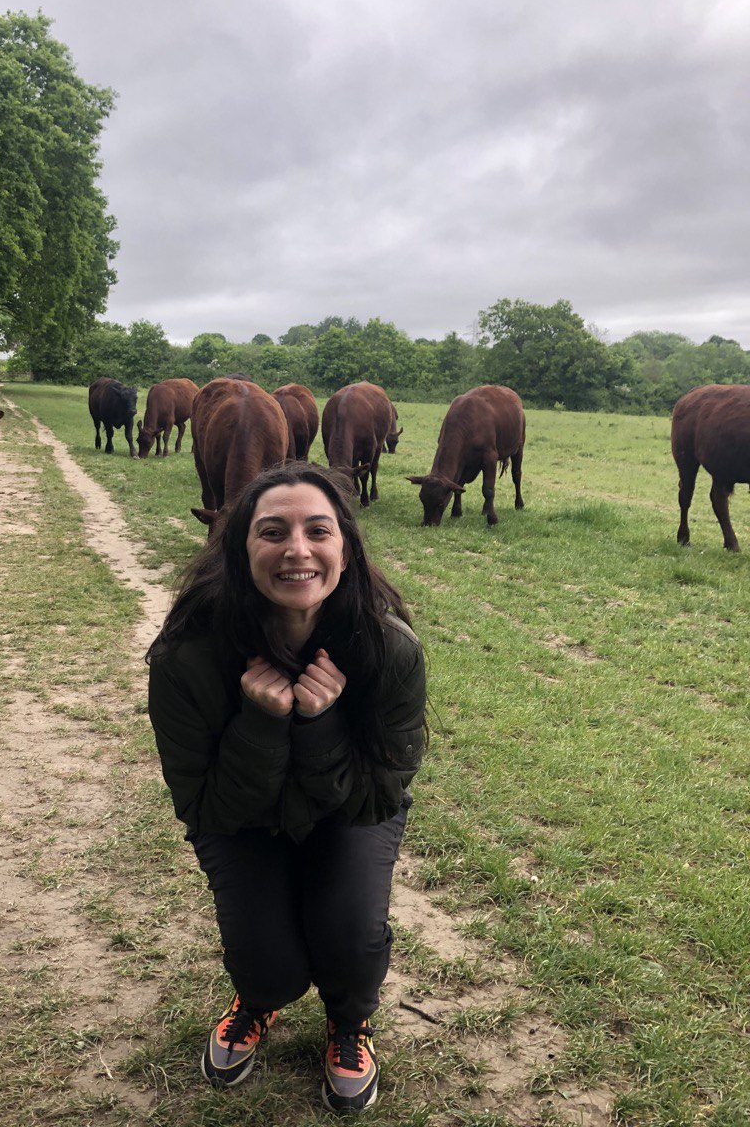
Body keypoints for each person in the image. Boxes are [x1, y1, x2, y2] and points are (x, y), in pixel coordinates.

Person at [147, 462, 427, 1113]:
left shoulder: (391, 651)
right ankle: (257, 1000)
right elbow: (205, 806)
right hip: (243, 818)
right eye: (272, 532)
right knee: (267, 965)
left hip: (348, 810)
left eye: (317, 531)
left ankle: (349, 1022)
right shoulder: (185, 657)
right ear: (240, 551)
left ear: (346, 550)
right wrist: (262, 723)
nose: (297, 549)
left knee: (351, 941)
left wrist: (321, 721)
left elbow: (381, 794)